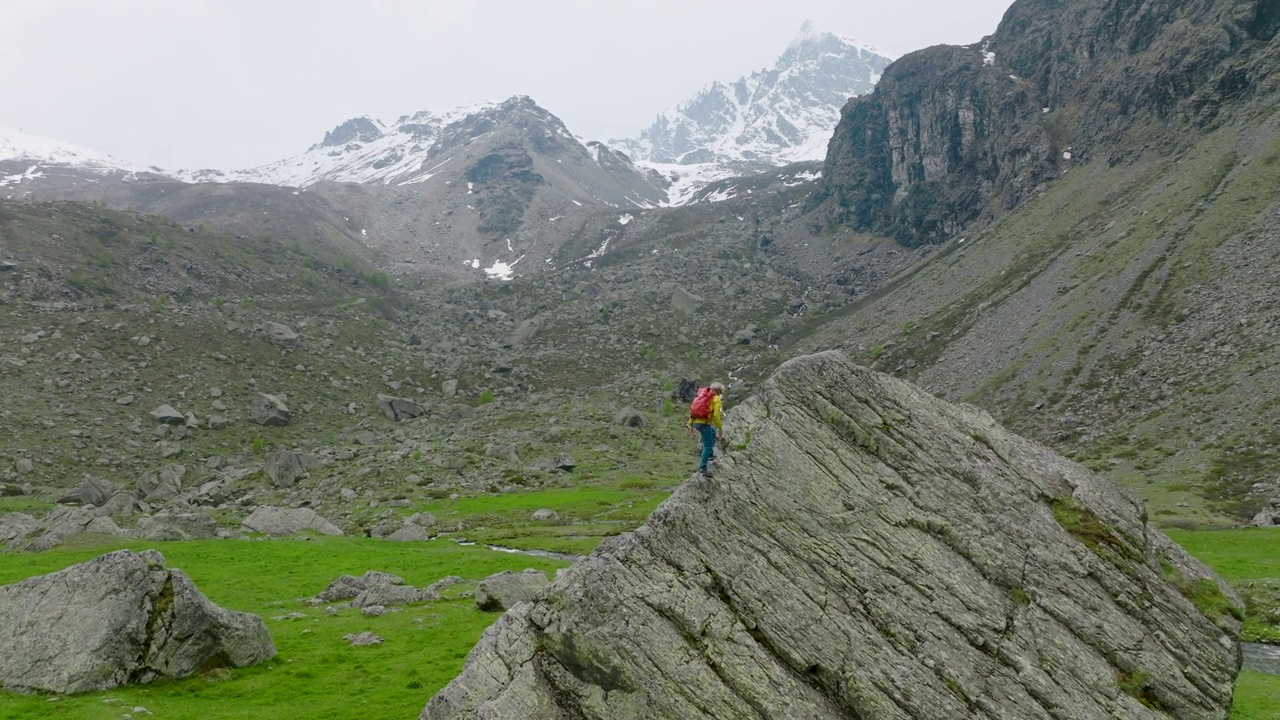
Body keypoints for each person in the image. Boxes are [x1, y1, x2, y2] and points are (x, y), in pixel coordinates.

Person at [688, 382, 724, 477]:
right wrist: (720, 428)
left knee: (712, 433)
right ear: (719, 391)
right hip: (704, 424)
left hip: (697, 423)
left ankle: (710, 455)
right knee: (707, 445)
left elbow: (693, 410)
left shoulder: (701, 397)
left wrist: (690, 424)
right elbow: (716, 415)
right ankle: (702, 468)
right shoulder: (716, 399)